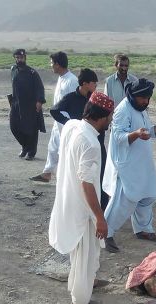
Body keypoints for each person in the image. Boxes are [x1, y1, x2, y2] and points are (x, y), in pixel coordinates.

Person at [48, 92, 114, 304]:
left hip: (69, 199)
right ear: (102, 117)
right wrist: (99, 216)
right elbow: (87, 184)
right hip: (82, 209)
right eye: (110, 116)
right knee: (84, 256)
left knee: (87, 254)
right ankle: (80, 303)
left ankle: (90, 284)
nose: (111, 120)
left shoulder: (72, 125)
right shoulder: (90, 143)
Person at [102, 78, 156, 253]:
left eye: (148, 98)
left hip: (142, 163)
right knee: (124, 200)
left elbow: (146, 129)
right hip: (126, 165)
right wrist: (135, 134)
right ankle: (106, 234)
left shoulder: (140, 108)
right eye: (143, 98)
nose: (146, 102)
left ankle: (143, 230)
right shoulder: (122, 110)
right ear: (134, 96)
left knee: (147, 197)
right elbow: (118, 137)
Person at [33, 70, 110, 209]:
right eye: (94, 83)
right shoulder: (71, 98)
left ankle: (102, 209)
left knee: (101, 176)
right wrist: (70, 123)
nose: (96, 86)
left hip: (98, 143)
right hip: (80, 144)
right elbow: (54, 110)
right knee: (82, 177)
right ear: (85, 84)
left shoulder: (96, 99)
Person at [30, 52, 78, 182]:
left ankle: (69, 177)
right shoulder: (61, 78)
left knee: (65, 149)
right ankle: (47, 173)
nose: (50, 65)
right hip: (58, 120)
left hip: (66, 122)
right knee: (53, 146)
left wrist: (68, 123)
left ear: (57, 64)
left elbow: (73, 103)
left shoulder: (72, 81)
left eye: (52, 63)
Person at [9, 49, 45, 161]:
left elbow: (40, 87)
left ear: (25, 58)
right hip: (16, 103)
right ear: (15, 58)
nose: (19, 59)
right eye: (17, 58)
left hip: (30, 105)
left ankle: (31, 152)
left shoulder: (32, 73)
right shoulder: (13, 70)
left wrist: (39, 101)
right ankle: (25, 146)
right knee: (14, 126)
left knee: (31, 129)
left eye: (21, 57)